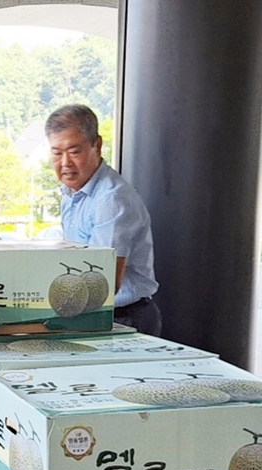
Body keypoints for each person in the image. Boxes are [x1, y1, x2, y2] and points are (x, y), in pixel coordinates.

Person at [45, 104, 161, 335]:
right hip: (91, 312)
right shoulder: (71, 193)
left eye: (74, 151)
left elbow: (102, 282)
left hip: (125, 318)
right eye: (57, 153)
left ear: (96, 145)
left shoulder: (111, 199)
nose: (65, 163)